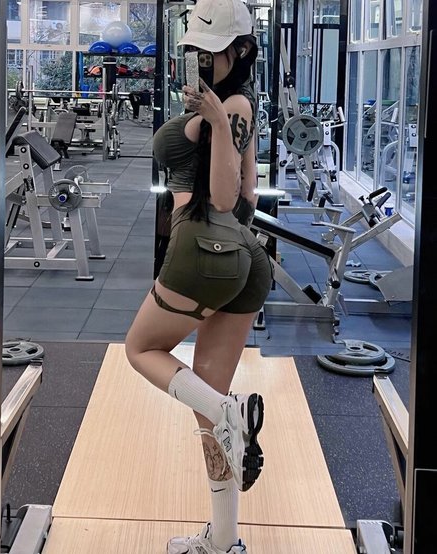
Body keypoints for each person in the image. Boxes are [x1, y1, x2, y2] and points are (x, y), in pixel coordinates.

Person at [125, 0, 273, 552]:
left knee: (140, 350)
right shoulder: (239, 101)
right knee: (211, 408)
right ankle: (225, 539)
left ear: (242, 51)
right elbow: (249, 197)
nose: (203, 61)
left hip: (202, 247)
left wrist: (214, 121)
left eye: (213, 52)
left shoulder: (230, 105)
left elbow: (225, 197)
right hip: (241, 256)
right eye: (197, 52)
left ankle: (225, 411)